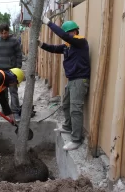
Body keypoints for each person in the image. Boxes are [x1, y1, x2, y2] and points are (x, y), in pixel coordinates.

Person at [38, 16, 90, 151]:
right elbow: (54, 48)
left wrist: (49, 23)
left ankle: (76, 139)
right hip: (72, 80)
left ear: (75, 32)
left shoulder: (80, 42)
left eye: (70, 32)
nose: (68, 35)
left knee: (76, 109)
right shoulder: (68, 46)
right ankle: (68, 126)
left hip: (80, 80)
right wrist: (41, 44)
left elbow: (64, 36)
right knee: (65, 104)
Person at [0, 24, 22, 121]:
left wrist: (18, 68)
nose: (4, 35)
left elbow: (18, 55)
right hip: (1, 71)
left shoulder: (14, 41)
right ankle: (5, 110)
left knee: (13, 92)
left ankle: (15, 111)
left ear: (8, 31)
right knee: (2, 92)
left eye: (6, 33)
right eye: (2, 33)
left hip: (12, 71)